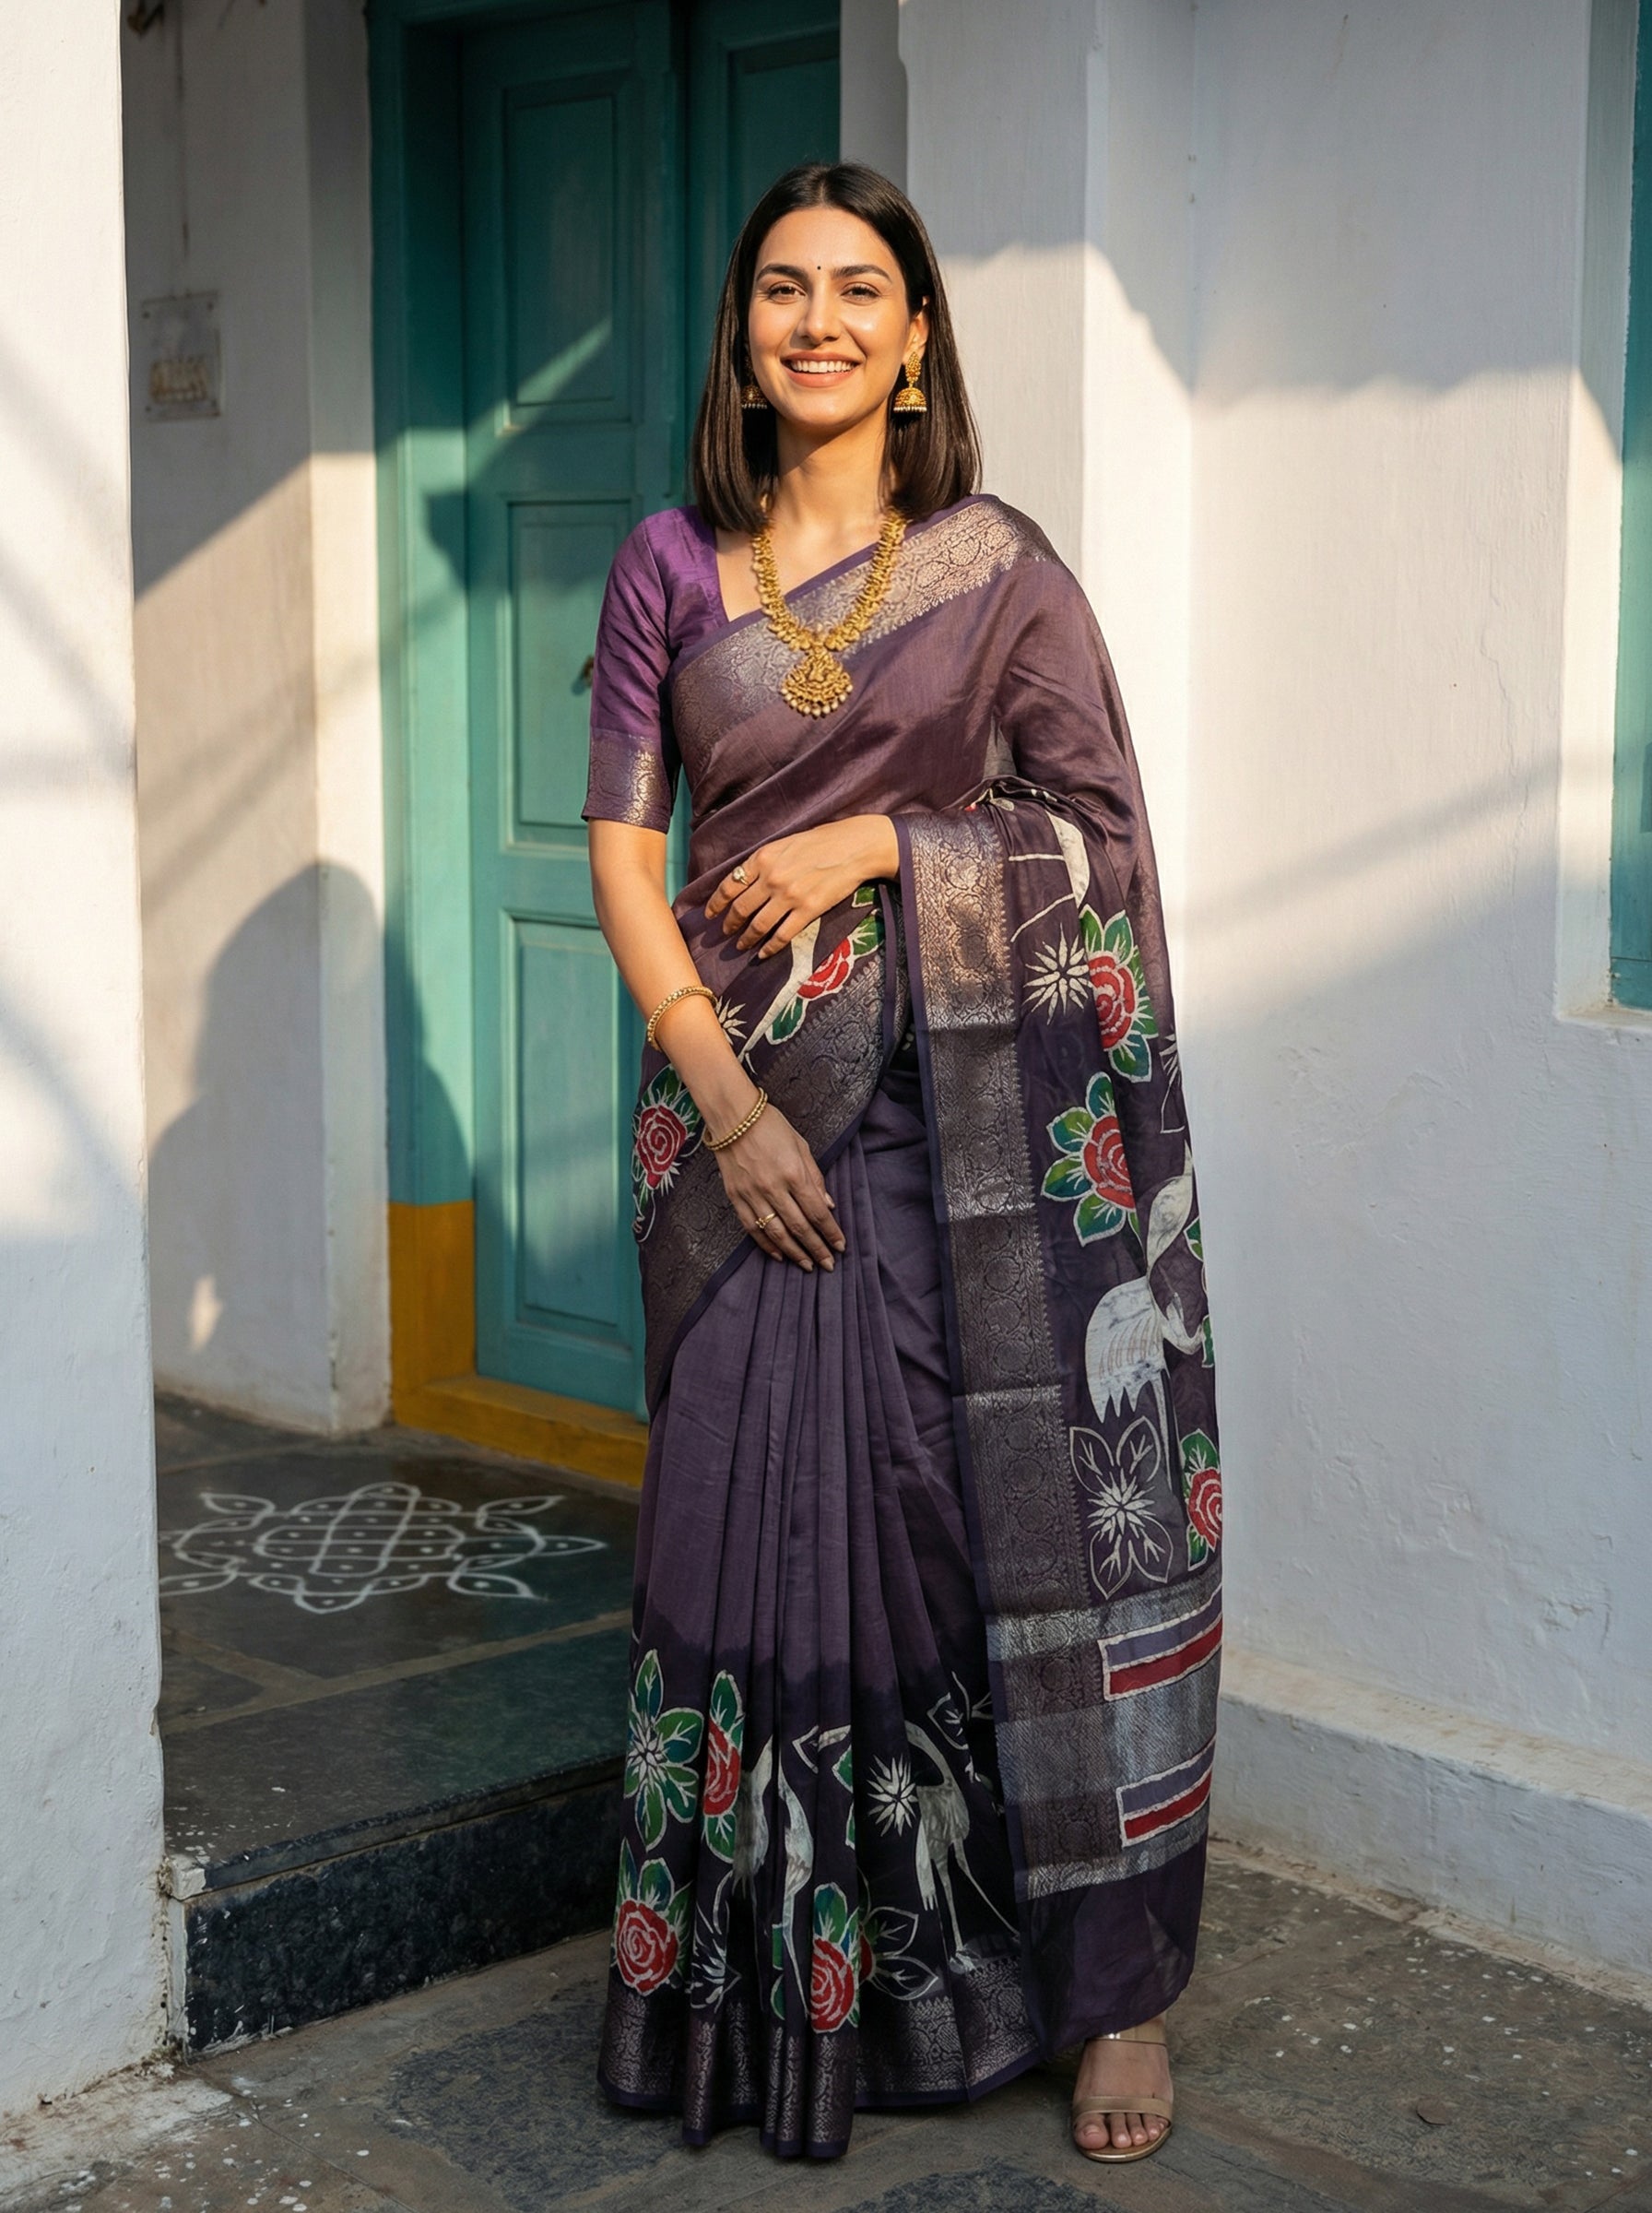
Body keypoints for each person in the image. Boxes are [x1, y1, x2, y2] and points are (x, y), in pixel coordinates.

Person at [584, 160, 1221, 2167]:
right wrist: (728, 1094)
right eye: (784, 289)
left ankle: (1103, 1994)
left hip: (954, 1150)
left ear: (916, 331)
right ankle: (766, 1988)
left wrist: (879, 844)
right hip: (732, 1123)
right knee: (725, 1525)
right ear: (743, 332)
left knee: (967, 1526)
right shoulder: (667, 568)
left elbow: (1098, 842)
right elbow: (623, 855)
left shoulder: (997, 573)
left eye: (860, 290)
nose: (820, 323)